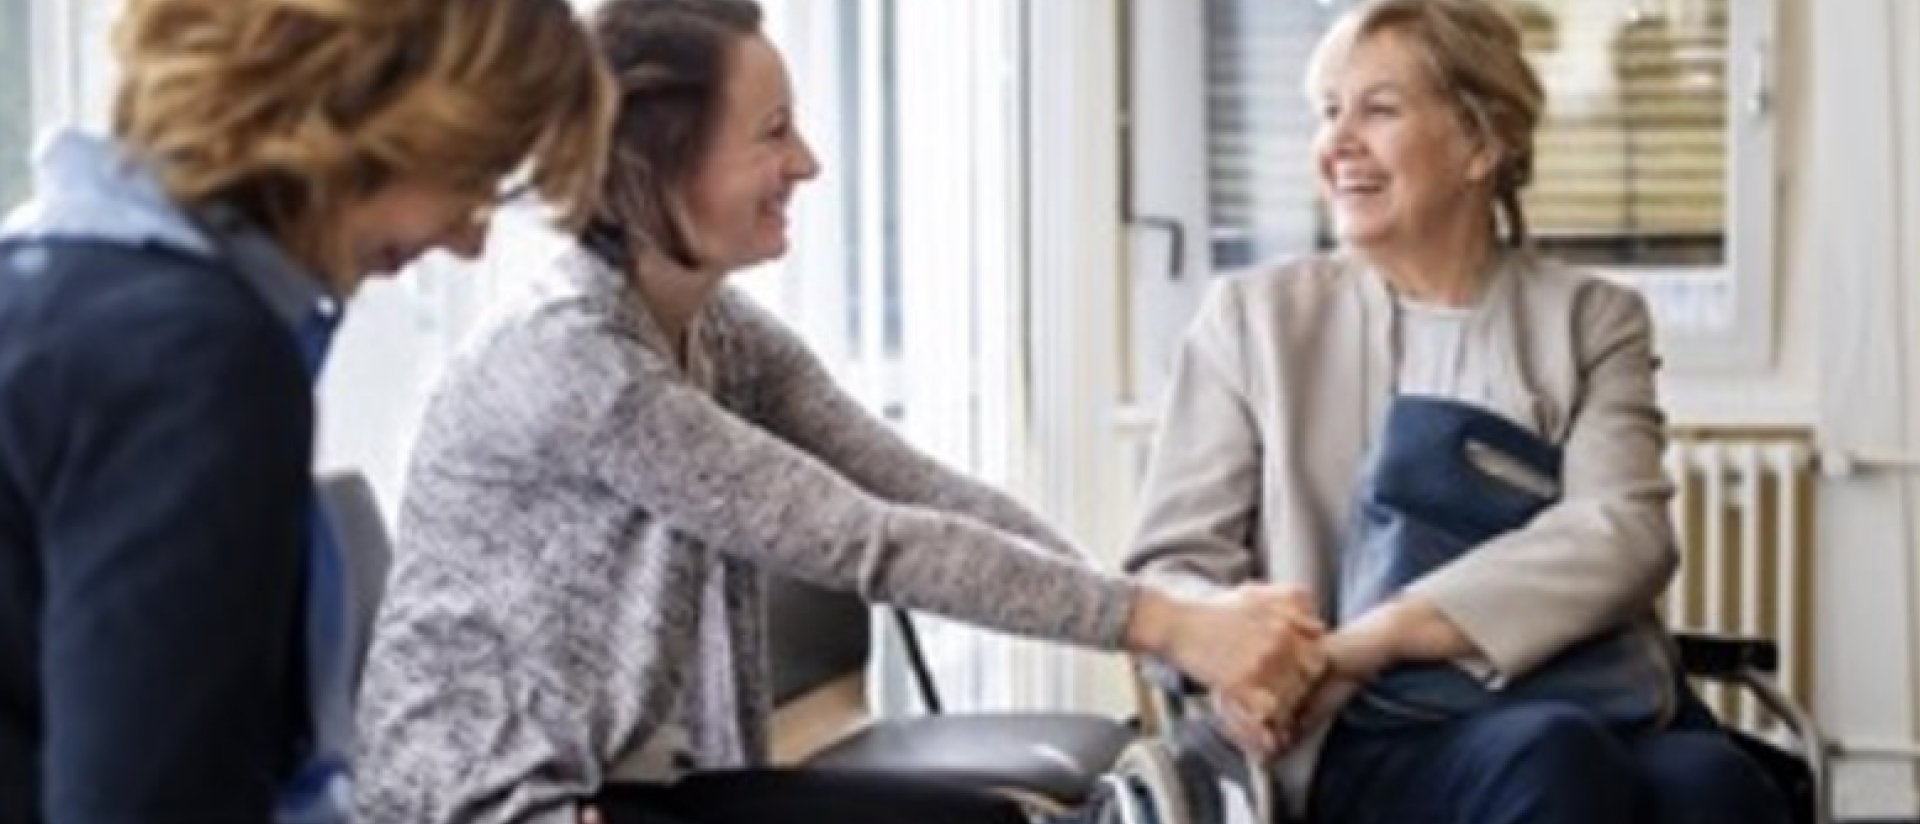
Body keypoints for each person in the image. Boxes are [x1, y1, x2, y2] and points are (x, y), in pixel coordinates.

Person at [351, 1, 1326, 823]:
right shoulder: (578, 360)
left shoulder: (719, 331)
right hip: (487, 799)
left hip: (614, 780)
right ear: (661, 162)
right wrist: (1167, 625)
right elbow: (870, 542)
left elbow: (914, 487)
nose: (808, 162)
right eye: (772, 132)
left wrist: (1180, 633)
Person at [1123, 1, 1789, 823]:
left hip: (1576, 696)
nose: (1338, 143)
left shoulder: (1591, 319)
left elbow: (1623, 534)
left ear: (1483, 141)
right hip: (1349, 740)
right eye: (1329, 112)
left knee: (1717, 787)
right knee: (1551, 755)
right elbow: (1171, 567)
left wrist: (1370, 642)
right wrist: (1229, 656)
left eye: (1379, 108)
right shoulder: (1252, 320)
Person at [0, 1, 613, 821]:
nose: (468, 242)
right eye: (471, 176)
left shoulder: (44, 286)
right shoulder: (193, 363)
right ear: (368, 115)